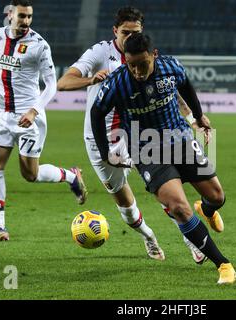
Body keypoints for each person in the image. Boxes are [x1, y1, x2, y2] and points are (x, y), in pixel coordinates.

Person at [58, 7, 207, 263]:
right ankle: (148, 236)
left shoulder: (144, 56)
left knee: (166, 190)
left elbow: (168, 90)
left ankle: (190, 240)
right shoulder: (100, 53)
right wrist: (91, 80)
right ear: (115, 31)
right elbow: (63, 83)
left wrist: (191, 117)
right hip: (100, 140)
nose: (129, 38)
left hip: (139, 134)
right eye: (125, 32)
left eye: (135, 33)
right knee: (125, 204)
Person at [91, 33, 236, 284]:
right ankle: (223, 264)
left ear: (154, 55)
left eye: (142, 64)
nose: (136, 71)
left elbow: (186, 85)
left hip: (179, 138)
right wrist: (105, 151)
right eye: (131, 64)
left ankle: (207, 209)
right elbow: (97, 112)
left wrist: (199, 116)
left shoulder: (171, 67)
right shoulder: (117, 83)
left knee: (217, 196)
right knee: (179, 208)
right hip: (147, 151)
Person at [0, 0, 87, 242]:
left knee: (30, 175)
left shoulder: (39, 46)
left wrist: (33, 111)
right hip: (2, 113)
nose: (26, 22)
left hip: (29, 117)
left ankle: (71, 176)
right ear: (10, 15)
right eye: (22, 16)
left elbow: (51, 84)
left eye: (29, 17)